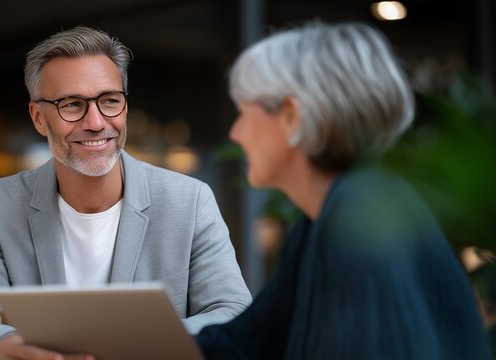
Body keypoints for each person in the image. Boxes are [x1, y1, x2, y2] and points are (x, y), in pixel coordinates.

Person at [0, 26, 252, 360]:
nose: (96, 122)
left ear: (125, 107)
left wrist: (135, 342)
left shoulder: (190, 201)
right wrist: (6, 346)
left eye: (109, 101)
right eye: (72, 104)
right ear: (39, 118)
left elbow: (233, 313)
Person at [196, 21, 492, 359]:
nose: (236, 133)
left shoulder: (362, 215)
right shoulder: (322, 220)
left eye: (245, 112)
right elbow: (244, 345)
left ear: (292, 117)